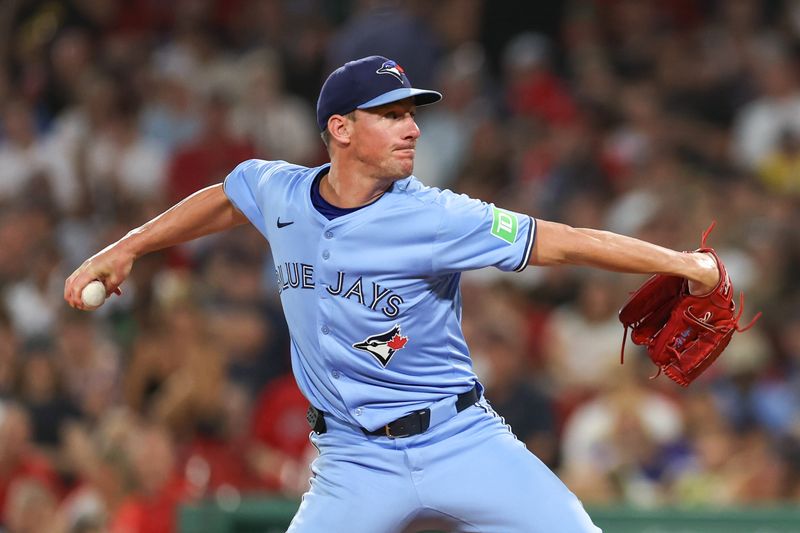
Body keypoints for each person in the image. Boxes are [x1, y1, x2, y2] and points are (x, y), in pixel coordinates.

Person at [65, 55, 720, 532]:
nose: (411, 128)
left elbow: (563, 240)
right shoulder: (282, 192)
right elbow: (225, 198)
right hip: (353, 458)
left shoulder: (435, 214)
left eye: (412, 114)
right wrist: (128, 247)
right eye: (391, 115)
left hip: (459, 438)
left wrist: (679, 261)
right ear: (341, 129)